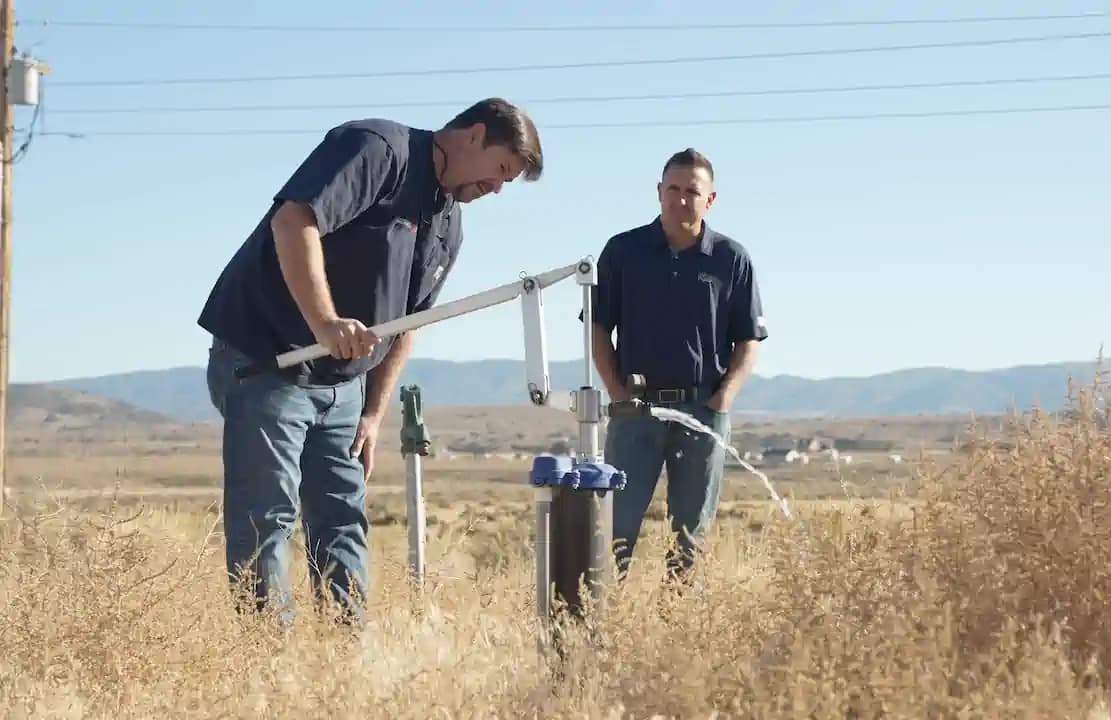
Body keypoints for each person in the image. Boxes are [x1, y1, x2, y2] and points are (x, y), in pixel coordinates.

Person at [197, 98, 543, 623]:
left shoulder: (448, 224)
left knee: (342, 522)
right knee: (266, 518)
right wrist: (325, 323)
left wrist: (374, 413)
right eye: (500, 170)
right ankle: (267, 657)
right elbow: (293, 221)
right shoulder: (378, 150)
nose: (496, 189)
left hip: (345, 390)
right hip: (269, 364)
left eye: (507, 182)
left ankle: (343, 653)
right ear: (473, 134)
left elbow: (408, 323)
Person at [590, 148, 767, 581]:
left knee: (690, 537)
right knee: (615, 530)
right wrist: (617, 392)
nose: (681, 199)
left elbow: (748, 339)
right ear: (659, 192)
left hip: (702, 411)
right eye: (673, 189)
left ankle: (680, 617)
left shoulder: (731, 258)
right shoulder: (623, 251)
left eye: (692, 191)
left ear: (710, 199)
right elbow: (597, 328)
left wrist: (724, 398)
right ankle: (607, 613)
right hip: (636, 410)